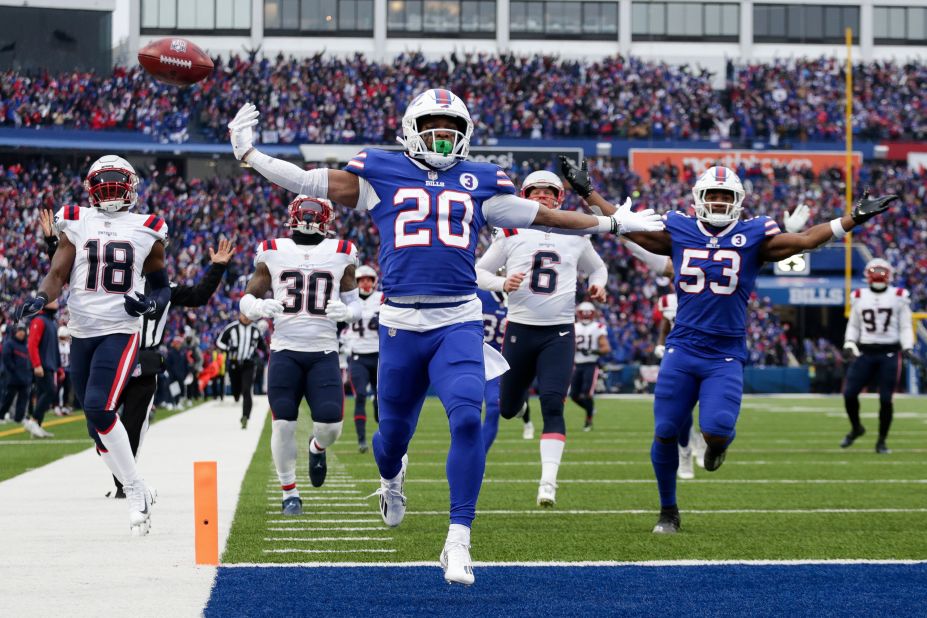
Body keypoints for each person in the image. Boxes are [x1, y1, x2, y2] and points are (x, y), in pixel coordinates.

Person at [228, 89, 662, 584]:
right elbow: (308, 180)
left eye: (452, 128)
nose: (443, 136)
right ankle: (392, 480)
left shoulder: (481, 179)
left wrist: (610, 222)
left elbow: (546, 217)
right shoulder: (379, 171)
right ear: (412, 128)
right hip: (400, 325)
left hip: (457, 319)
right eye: (433, 125)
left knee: (468, 419)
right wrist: (250, 155)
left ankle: (459, 538)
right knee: (390, 439)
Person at [615, 168, 896, 535]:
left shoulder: (753, 235)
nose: (718, 202)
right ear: (699, 198)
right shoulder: (679, 230)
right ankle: (668, 511)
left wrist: (853, 218)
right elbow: (623, 227)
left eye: (725, 196)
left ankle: (716, 448)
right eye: (712, 195)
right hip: (681, 348)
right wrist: (588, 192)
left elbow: (807, 240)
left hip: (724, 353)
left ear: (738, 202)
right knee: (666, 430)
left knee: (716, 430)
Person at [15, 154, 170, 535]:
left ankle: (134, 490)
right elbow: (57, 272)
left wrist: (150, 304)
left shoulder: (148, 227)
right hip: (82, 330)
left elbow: (162, 286)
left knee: (101, 408)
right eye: (107, 182)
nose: (112, 189)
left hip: (120, 329)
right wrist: (41, 296)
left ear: (131, 187)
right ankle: (140, 486)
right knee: (94, 424)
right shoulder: (77, 219)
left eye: (119, 182)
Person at [475, 170, 608, 508]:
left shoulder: (576, 233)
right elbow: (478, 271)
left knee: (552, 403)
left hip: (559, 331)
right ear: (524, 195)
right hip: (519, 329)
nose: (542, 197)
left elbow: (598, 267)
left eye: (548, 193)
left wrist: (599, 284)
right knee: (506, 409)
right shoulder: (510, 230)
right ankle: (519, 404)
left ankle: (548, 482)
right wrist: (500, 284)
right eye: (535, 192)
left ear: (558, 198)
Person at [240, 195, 359, 515]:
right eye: (304, 214)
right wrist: (259, 307)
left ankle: (317, 448)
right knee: (283, 426)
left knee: (331, 426)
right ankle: (289, 492)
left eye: (313, 215)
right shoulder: (274, 250)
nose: (308, 219)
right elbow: (245, 301)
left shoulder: (341, 253)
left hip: (323, 352)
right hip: (284, 351)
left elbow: (356, 303)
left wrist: (346, 312)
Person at [106, 239, 234, 499]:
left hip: (144, 358)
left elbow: (198, 296)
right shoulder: (111, 283)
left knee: (134, 424)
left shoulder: (164, 287)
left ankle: (124, 484)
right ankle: (121, 478)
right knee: (99, 420)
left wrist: (217, 268)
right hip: (113, 356)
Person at [841, 258, 920, 454]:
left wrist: (908, 347)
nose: (878, 276)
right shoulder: (859, 295)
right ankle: (856, 427)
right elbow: (854, 325)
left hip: (889, 352)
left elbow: (904, 326)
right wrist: (849, 343)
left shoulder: (899, 296)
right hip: (865, 351)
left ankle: (881, 441)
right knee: (849, 394)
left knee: (886, 399)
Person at [343, 264, 383, 453]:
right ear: (357, 282)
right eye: (362, 280)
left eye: (369, 279)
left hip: (378, 355)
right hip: (358, 356)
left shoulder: (382, 299)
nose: (366, 283)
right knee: (360, 395)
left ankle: (382, 432)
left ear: (374, 281)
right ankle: (361, 441)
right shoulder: (351, 300)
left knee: (380, 398)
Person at [216, 312, 268, 428]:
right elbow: (219, 342)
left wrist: (262, 353)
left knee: (246, 389)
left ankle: (245, 416)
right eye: (244, 314)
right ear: (240, 315)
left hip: (248, 363)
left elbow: (262, 346)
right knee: (236, 390)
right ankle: (236, 395)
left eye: (249, 315)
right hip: (234, 362)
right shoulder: (231, 327)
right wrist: (228, 348)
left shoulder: (255, 329)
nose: (246, 317)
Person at [571, 302, 610, 432]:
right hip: (577, 364)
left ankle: (588, 421)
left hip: (591, 364)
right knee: (574, 395)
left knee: (587, 394)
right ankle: (590, 409)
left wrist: (594, 351)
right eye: (584, 313)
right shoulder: (573, 327)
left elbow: (606, 348)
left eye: (588, 313)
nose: (586, 315)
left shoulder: (598, 327)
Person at [477, 287, 506, 453]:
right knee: (466, 412)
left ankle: (479, 456)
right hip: (471, 355)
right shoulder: (480, 292)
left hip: (497, 363)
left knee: (494, 408)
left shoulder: (521, 299)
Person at [26, 298, 61, 437]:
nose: (57, 303)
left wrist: (59, 368)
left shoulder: (51, 323)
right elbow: (32, 344)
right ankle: (33, 421)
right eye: (54, 301)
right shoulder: (39, 320)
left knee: (43, 394)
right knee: (50, 392)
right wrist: (37, 364)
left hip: (48, 365)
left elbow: (54, 348)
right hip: (42, 365)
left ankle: (37, 427)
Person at [0, 324, 32, 427]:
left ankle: (19, 418)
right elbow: (6, 359)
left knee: (23, 399)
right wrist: (13, 370)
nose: (22, 333)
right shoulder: (9, 344)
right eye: (19, 331)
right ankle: (1, 416)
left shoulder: (25, 345)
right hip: (12, 377)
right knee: (8, 398)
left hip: (25, 377)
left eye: (23, 331)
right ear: (15, 332)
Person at [55, 325, 72, 416]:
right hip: (59, 369)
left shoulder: (68, 344)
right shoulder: (56, 345)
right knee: (58, 388)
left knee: (67, 387)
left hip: (67, 369)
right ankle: (57, 406)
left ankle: (65, 406)